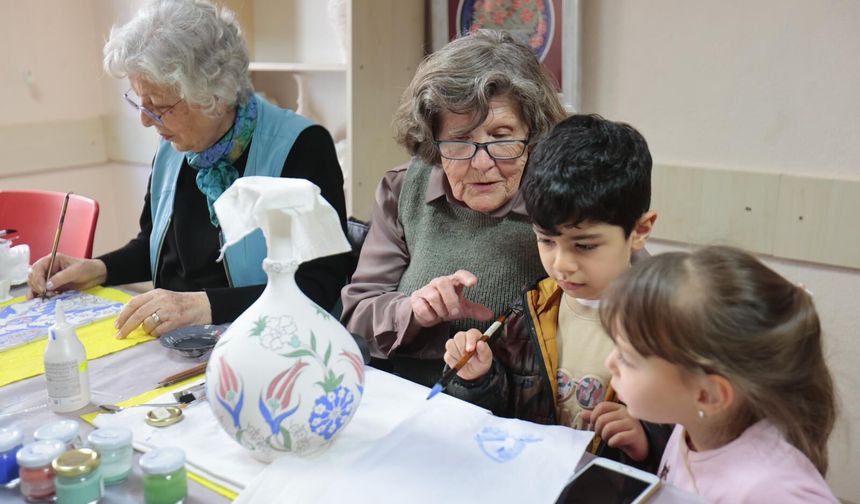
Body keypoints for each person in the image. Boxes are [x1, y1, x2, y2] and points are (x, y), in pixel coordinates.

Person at [26, 0, 350, 337]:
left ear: (216, 95)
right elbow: (155, 245)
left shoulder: (301, 147)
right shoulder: (175, 145)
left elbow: (319, 287)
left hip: (266, 342)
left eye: (160, 106)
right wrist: (96, 269)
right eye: (141, 102)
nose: (144, 120)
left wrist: (202, 306)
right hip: (178, 340)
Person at [339, 30, 567, 386]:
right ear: (433, 141)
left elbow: (640, 303)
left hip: (522, 422)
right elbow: (358, 314)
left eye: (501, 136)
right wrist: (412, 311)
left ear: (532, 134)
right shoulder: (403, 190)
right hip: (414, 405)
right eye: (460, 140)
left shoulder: (564, 195)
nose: (481, 163)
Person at [442, 114, 668, 471]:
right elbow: (506, 408)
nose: (561, 264)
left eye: (585, 245)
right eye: (546, 241)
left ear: (639, 231)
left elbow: (701, 434)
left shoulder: (668, 326)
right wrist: (481, 376)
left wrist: (647, 442)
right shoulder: (534, 307)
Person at [601, 246, 838, 502]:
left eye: (627, 358)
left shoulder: (775, 491)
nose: (609, 362)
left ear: (708, 395)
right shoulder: (691, 427)